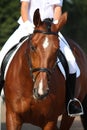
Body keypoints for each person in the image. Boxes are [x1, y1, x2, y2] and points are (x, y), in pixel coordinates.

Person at [0, 0, 83, 116]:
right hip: (28, 26)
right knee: (1, 56)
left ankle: (71, 101)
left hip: (51, 29)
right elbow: (24, 7)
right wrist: (29, 26)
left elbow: (57, 9)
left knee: (72, 62)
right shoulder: (27, 25)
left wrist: (55, 26)